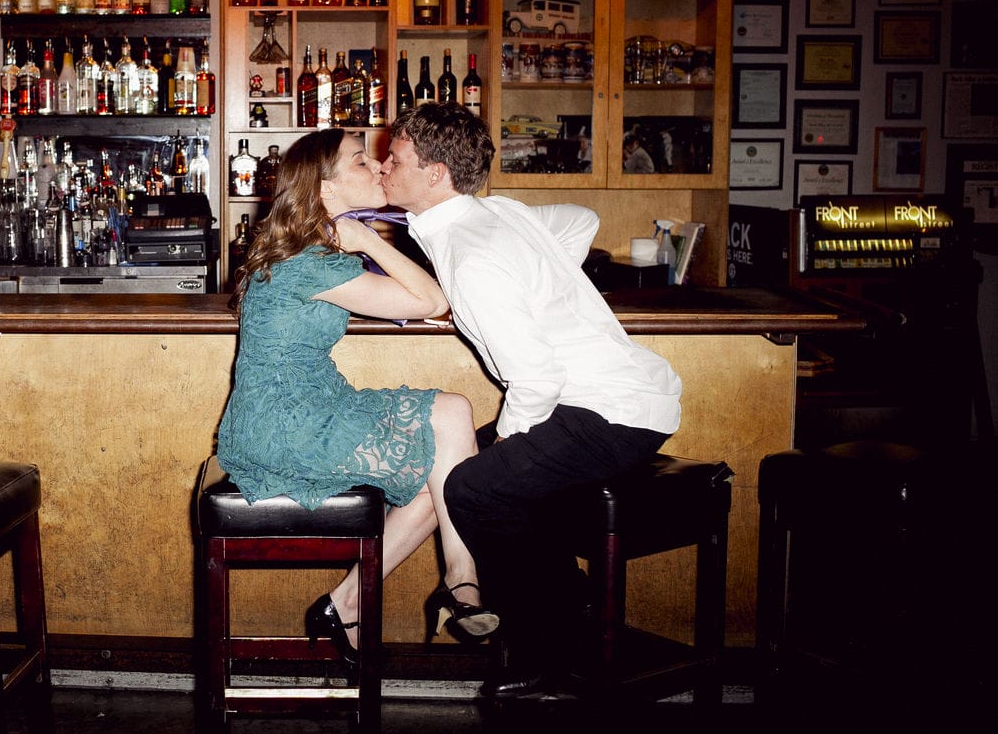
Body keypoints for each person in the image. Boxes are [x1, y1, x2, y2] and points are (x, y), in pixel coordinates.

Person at [379, 102, 682, 695]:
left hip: (610, 416)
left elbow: (536, 380)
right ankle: (568, 612)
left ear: (436, 173)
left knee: (473, 487)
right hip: (608, 401)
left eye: (396, 157)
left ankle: (548, 651)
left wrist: (509, 290)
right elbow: (580, 219)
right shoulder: (496, 212)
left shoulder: (473, 254)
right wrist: (535, 285)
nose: (385, 165)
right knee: (458, 461)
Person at [215, 127, 497, 663]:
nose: (377, 168)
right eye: (361, 162)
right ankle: (462, 580)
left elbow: (415, 299)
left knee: (442, 477)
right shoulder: (311, 262)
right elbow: (431, 299)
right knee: (453, 417)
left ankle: (346, 603)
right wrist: (367, 238)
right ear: (325, 189)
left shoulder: (310, 251)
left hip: (298, 408)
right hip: (285, 423)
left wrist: (364, 240)